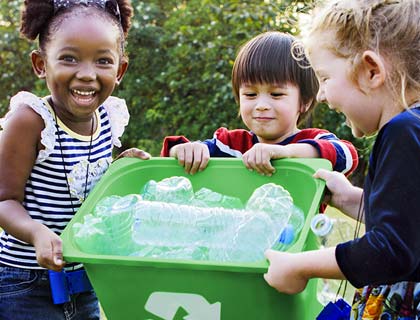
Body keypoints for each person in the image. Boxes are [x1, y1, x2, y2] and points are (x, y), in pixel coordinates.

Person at [264, 0, 420, 318]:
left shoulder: (403, 131)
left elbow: (390, 251)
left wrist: (300, 265)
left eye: (324, 78)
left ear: (371, 71)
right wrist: (351, 198)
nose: (321, 95)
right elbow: (410, 225)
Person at [0, 0, 150, 319]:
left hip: (84, 281)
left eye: (103, 61)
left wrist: (120, 169)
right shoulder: (31, 121)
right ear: (41, 64)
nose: (86, 74)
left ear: (120, 69)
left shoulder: (109, 118)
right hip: (25, 284)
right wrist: (36, 232)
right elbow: (4, 200)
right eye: (69, 58)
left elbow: (87, 185)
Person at [160, 31, 358, 177]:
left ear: (304, 102)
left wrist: (286, 152)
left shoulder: (313, 140)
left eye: (276, 94)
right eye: (250, 94)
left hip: (299, 234)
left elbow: (347, 156)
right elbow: (173, 156)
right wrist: (185, 151)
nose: (261, 105)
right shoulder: (231, 145)